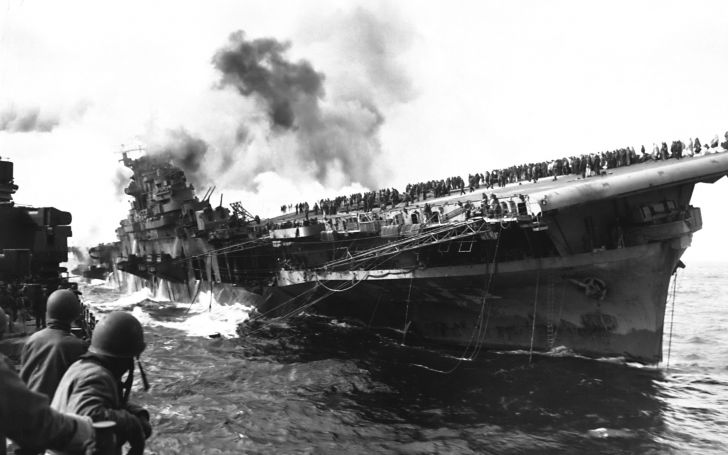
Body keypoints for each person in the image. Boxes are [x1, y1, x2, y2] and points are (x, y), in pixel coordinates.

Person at [52, 311, 151, 455]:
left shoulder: (83, 367)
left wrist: (136, 413)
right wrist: (131, 423)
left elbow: (105, 404)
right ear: (125, 359)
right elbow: (89, 416)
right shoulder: (96, 376)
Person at [0, 308, 95, 455]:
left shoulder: (33, 339)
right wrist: (85, 428)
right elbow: (36, 423)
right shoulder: (75, 344)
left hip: (31, 401)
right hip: (46, 410)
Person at [20, 289, 88, 400]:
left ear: (48, 313)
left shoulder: (32, 340)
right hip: (54, 411)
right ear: (76, 314)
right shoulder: (78, 346)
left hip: (28, 406)